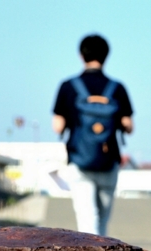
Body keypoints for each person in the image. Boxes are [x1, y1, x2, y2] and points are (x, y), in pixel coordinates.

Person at [52, 34, 134, 236]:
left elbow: (57, 126)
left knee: (87, 219)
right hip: (108, 160)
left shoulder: (69, 86)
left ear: (81, 55)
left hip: (79, 160)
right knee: (103, 220)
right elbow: (129, 126)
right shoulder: (117, 88)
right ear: (107, 55)